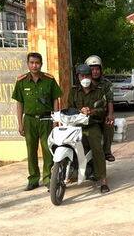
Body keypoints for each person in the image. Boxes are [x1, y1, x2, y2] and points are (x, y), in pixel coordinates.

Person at [12, 52, 62, 191]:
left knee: (47, 150)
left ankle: (47, 178)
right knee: (31, 150)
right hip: (29, 120)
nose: (34, 65)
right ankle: (33, 179)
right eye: (32, 62)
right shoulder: (21, 81)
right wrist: (20, 123)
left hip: (46, 119)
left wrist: (55, 120)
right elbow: (19, 103)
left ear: (41, 64)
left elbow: (55, 100)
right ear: (28, 64)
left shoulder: (49, 80)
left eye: (37, 63)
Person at [68, 64, 110, 193]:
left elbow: (103, 109)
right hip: (76, 126)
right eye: (82, 76)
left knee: (97, 148)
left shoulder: (98, 90)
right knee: (65, 143)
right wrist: (79, 110)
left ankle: (103, 180)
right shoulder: (73, 91)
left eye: (87, 75)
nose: (85, 78)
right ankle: (63, 174)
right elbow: (69, 107)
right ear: (78, 77)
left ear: (91, 76)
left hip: (92, 125)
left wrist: (92, 111)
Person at [85, 55, 116, 162]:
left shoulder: (106, 84)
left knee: (109, 124)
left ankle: (107, 151)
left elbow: (110, 100)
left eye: (97, 69)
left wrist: (110, 115)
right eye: (92, 69)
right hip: (85, 116)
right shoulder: (83, 83)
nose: (95, 72)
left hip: (102, 115)